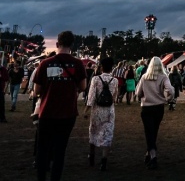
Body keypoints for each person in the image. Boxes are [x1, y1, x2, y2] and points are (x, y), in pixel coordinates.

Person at [32, 30, 87, 181]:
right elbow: (83, 87)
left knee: (43, 149)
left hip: (47, 111)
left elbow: (37, 90)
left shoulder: (45, 63)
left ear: (57, 44)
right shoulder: (77, 64)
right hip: (68, 113)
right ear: (72, 46)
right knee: (60, 150)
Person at [135, 56, 174, 170]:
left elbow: (138, 92)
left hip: (147, 108)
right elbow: (170, 90)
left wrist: (144, 95)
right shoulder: (163, 77)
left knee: (149, 132)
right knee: (154, 131)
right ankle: (150, 153)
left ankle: (153, 156)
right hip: (158, 108)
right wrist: (168, 99)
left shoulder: (144, 77)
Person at [83, 57, 119, 171]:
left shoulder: (95, 79)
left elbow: (91, 97)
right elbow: (114, 97)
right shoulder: (115, 80)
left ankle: (91, 156)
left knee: (94, 131)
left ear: (101, 67)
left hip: (97, 110)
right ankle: (104, 161)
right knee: (107, 134)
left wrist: (86, 110)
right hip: (109, 110)